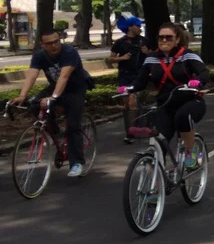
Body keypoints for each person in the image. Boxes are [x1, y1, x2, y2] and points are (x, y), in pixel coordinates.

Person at [120, 23, 209, 170]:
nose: (164, 40)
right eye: (161, 37)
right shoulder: (151, 59)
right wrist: (129, 88)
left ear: (177, 39)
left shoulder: (188, 55)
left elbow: (204, 73)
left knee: (183, 117)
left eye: (169, 37)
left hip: (191, 101)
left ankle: (190, 152)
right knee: (159, 140)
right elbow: (140, 81)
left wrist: (198, 81)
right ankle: (154, 184)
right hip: (165, 104)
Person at [11, 29, 93, 177]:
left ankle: (77, 163)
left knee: (73, 126)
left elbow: (64, 76)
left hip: (75, 89)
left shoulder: (69, 52)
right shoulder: (39, 55)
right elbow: (32, 75)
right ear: (42, 45)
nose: (54, 45)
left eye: (56, 41)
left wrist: (53, 97)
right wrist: (22, 95)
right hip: (55, 87)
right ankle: (55, 131)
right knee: (34, 105)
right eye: (49, 43)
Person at [108, 16, 151, 144]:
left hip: (139, 76)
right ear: (130, 27)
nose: (140, 28)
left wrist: (147, 52)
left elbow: (153, 56)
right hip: (124, 76)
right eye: (138, 26)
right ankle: (131, 127)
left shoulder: (144, 41)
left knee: (133, 101)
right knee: (127, 104)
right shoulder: (120, 42)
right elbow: (110, 59)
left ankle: (131, 133)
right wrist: (122, 58)